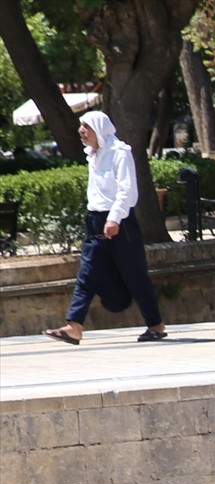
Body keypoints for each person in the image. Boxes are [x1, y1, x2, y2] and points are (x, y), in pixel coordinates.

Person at [44, 111, 167, 346]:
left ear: (99, 129)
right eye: (81, 126)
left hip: (119, 222)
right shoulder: (92, 155)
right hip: (95, 221)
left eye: (86, 126)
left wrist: (115, 218)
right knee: (86, 272)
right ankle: (74, 327)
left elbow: (127, 191)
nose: (81, 130)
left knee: (134, 274)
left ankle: (156, 325)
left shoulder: (120, 153)